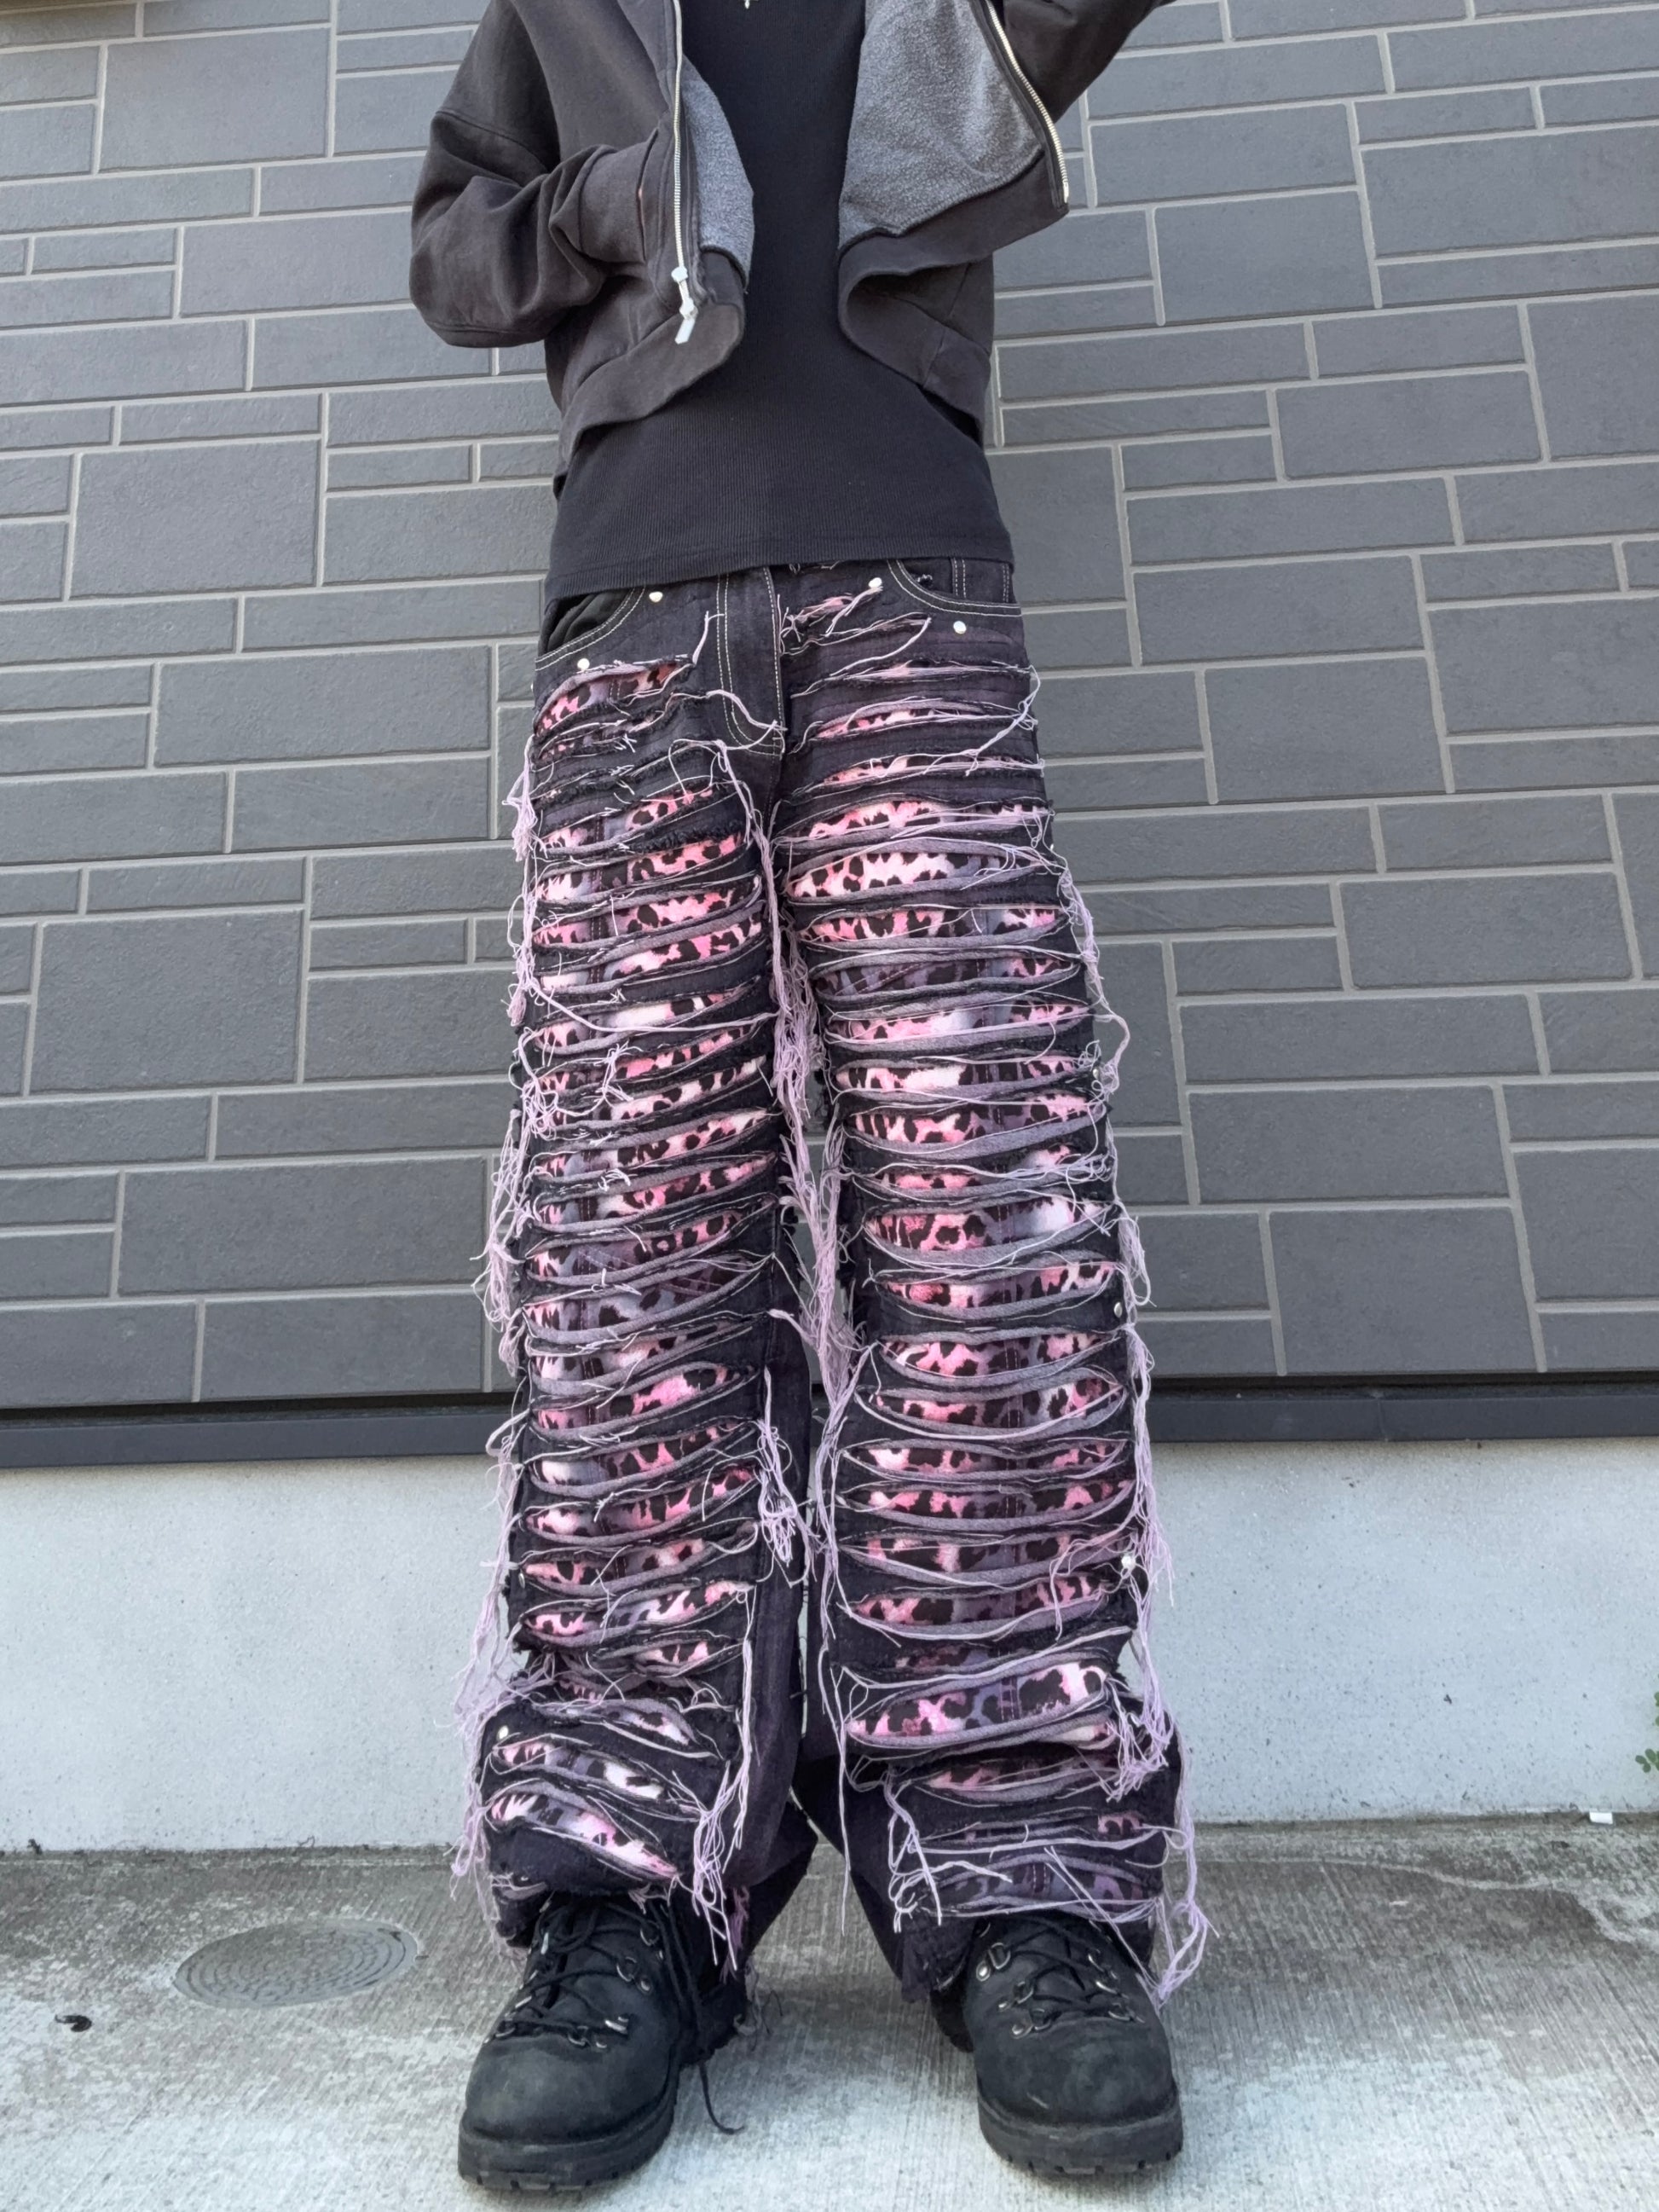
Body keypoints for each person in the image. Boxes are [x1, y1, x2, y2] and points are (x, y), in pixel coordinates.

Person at [409, 0, 1204, 2188]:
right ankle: (628, 1888)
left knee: (991, 1224)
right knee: (631, 1264)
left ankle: (1023, 1870)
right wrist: (616, 196)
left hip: (915, 600)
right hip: (632, 623)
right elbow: (455, 251)